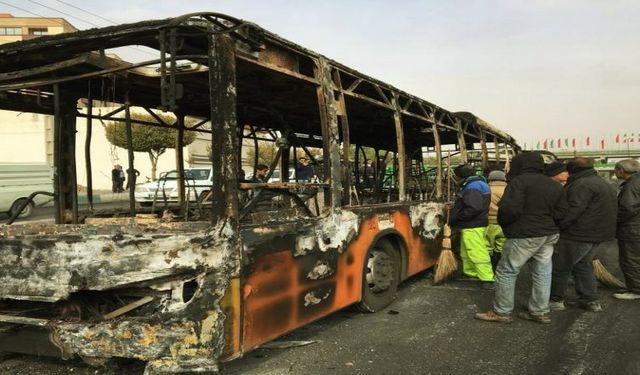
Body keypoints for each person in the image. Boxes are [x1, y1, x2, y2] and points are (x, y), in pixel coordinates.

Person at [475, 152, 566, 324]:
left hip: (524, 235)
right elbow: (562, 212)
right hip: (549, 234)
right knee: (542, 272)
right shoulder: (553, 184)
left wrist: (508, 227)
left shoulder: (519, 182)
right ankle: (539, 312)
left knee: (507, 271)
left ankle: (501, 312)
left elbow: (509, 210)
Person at [549, 157, 617, 312]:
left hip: (578, 234)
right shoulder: (602, 183)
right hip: (598, 234)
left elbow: (573, 210)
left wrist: (559, 226)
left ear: (572, 169)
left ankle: (555, 300)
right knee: (582, 265)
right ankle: (590, 300)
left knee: (561, 267)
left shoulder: (581, 185)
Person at [449, 164, 493, 286]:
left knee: (477, 252)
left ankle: (487, 278)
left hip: (473, 225)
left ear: (461, 176)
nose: (455, 179)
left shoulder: (472, 187)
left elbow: (473, 208)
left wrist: (457, 218)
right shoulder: (478, 184)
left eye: (456, 176)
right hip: (474, 224)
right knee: (466, 251)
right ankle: (471, 272)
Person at [613, 159, 640, 300]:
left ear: (621, 170)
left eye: (615, 170)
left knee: (631, 260)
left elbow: (627, 208)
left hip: (632, 229)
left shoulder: (631, 185)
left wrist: (613, 220)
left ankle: (636, 290)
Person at [486, 170, 507, 270]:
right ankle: (499, 268)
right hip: (504, 223)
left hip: (489, 223)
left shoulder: (486, 189)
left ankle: (489, 269)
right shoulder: (509, 189)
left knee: (488, 247)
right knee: (501, 247)